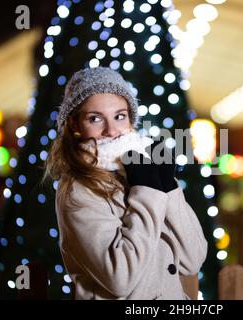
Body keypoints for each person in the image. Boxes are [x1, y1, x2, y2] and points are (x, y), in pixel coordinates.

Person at [44, 67, 207, 300]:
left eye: (120, 116)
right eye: (95, 118)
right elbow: (121, 279)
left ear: (131, 119)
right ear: (75, 126)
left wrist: (167, 187)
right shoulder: (77, 189)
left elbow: (193, 259)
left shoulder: (141, 169)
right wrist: (148, 190)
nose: (111, 131)